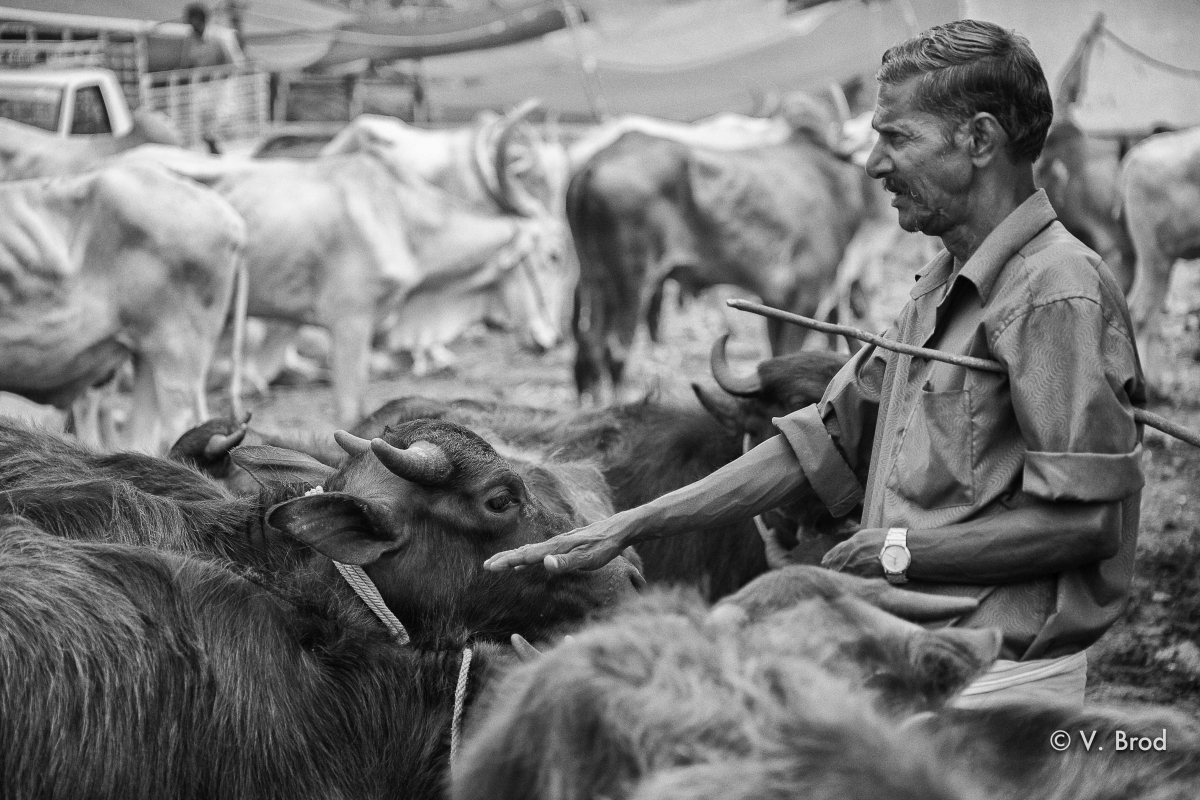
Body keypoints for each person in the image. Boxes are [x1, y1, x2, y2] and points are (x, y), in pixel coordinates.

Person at [485, 19, 1146, 707]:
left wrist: (896, 551)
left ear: (979, 140)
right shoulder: (941, 284)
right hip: (908, 654)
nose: (873, 165)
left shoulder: (1056, 295)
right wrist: (627, 523)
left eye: (897, 138)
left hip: (996, 679)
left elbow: (1086, 525)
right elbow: (819, 440)